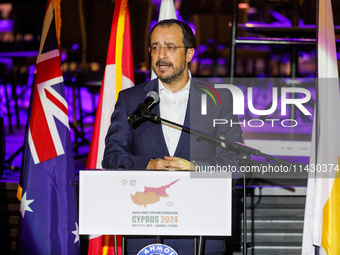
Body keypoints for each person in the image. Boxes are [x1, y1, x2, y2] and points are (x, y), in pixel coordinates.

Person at [103, 19, 242, 255]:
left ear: (189, 54)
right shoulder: (130, 100)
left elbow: (236, 162)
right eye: (155, 47)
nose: (161, 55)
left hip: (203, 231)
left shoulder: (218, 100)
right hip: (144, 231)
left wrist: (196, 168)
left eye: (170, 47)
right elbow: (112, 157)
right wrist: (150, 165)